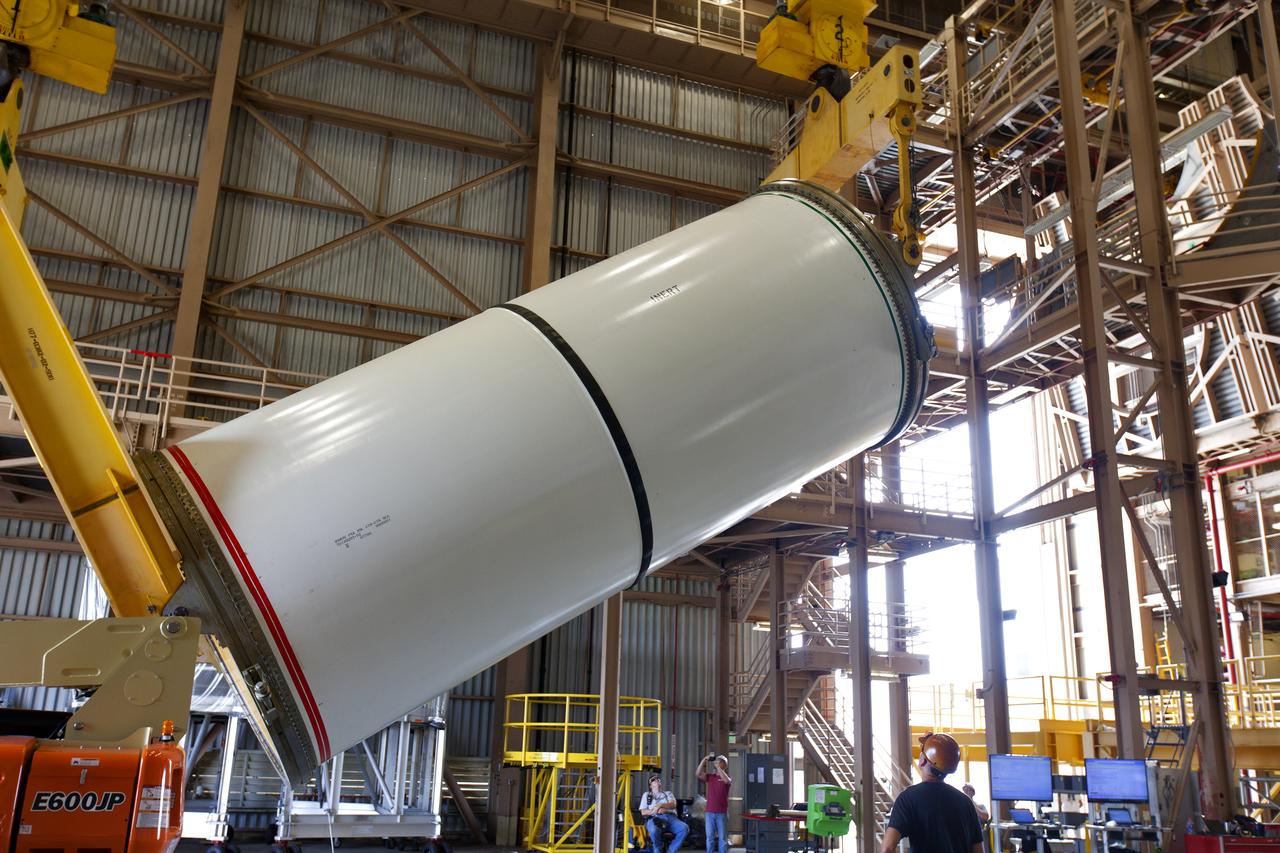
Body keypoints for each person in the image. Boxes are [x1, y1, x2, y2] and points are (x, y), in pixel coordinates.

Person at [881, 732, 983, 853]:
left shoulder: (908, 798)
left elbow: (887, 848)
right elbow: (978, 850)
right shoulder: (966, 802)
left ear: (923, 761)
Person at [640, 774, 689, 853]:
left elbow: (673, 804)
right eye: (654, 780)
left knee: (684, 828)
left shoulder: (668, 794)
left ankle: (671, 850)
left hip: (671, 818)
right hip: (655, 818)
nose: (657, 780)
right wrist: (655, 811)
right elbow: (643, 812)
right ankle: (658, 849)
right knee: (653, 830)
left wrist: (662, 806)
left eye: (658, 779)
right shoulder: (646, 795)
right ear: (650, 785)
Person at [697, 754, 732, 853]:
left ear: (724, 765)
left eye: (719, 761)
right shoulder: (710, 777)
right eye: (716, 761)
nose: (717, 763)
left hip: (722, 812)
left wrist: (719, 769)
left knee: (722, 838)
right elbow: (697, 773)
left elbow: (727, 781)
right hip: (710, 812)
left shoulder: (727, 777)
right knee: (710, 838)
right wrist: (704, 760)